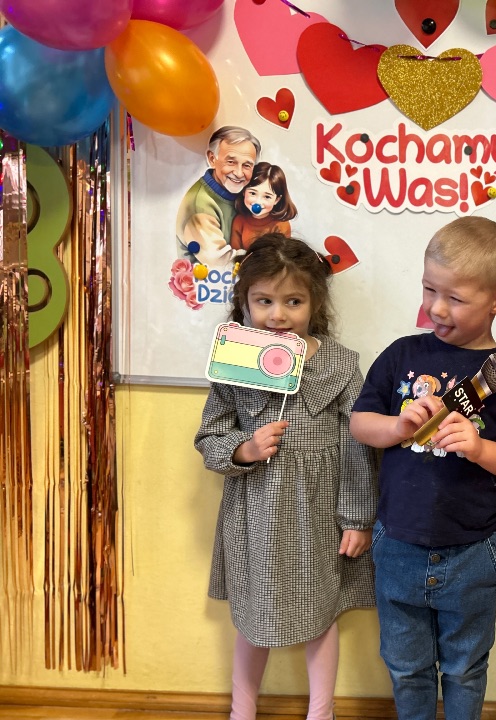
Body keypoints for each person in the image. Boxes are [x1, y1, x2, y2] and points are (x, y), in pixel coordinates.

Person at [194, 233, 378, 720]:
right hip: (256, 514)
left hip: (317, 517)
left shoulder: (341, 365)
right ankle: (242, 708)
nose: (278, 315)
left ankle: (322, 710)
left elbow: (359, 448)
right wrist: (245, 449)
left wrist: (358, 519)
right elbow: (210, 436)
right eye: (264, 301)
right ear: (244, 302)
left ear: (314, 302)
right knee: (253, 617)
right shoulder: (234, 363)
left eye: (293, 301)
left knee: (321, 613)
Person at [350, 216, 496, 720]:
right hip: (398, 543)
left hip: (472, 550)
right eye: (429, 290)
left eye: (455, 298)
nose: (437, 308)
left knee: (465, 668)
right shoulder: (402, 354)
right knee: (406, 668)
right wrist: (397, 426)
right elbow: (359, 424)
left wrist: (480, 448)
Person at [176, 126, 261, 268]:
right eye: (231, 162)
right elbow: (220, 262)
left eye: (247, 165)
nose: (239, 173)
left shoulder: (242, 194)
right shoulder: (200, 204)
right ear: (212, 159)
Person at [231, 162, 298, 253]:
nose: (258, 202)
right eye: (253, 193)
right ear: (244, 191)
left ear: (277, 200)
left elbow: (282, 255)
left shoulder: (281, 225)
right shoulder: (239, 221)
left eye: (267, 197)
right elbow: (236, 253)